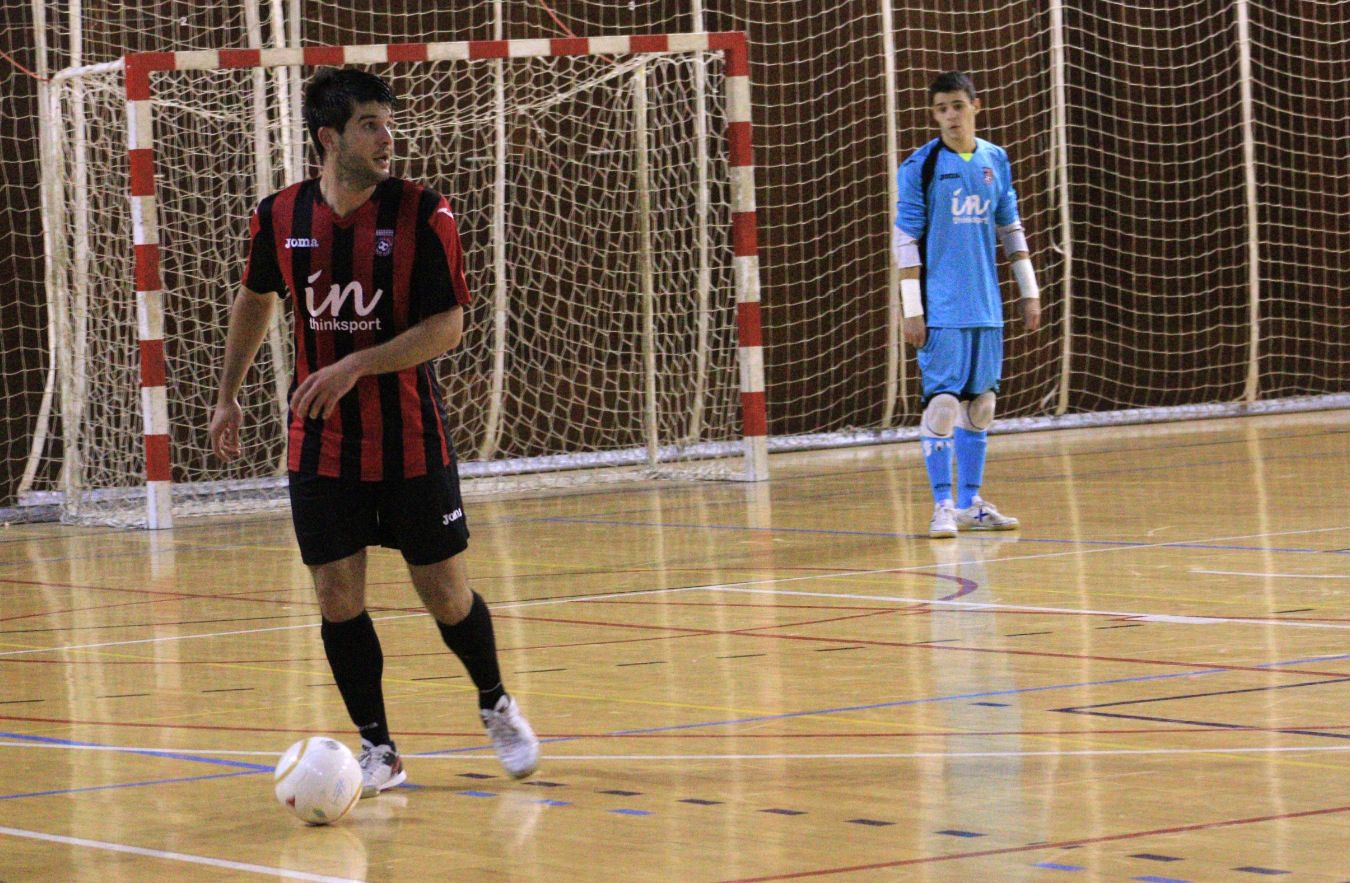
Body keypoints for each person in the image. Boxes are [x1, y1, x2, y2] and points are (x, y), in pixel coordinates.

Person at [210, 67, 538, 795]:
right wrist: (227, 395)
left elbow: (448, 326)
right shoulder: (279, 216)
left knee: (446, 594)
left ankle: (495, 700)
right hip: (320, 441)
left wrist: (357, 363)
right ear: (329, 137)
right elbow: (255, 299)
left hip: (409, 439)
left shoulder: (424, 213)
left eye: (389, 124)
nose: (387, 138)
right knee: (337, 596)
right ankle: (379, 747)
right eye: (369, 125)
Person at [891, 71, 1042, 539]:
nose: (951, 116)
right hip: (942, 306)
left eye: (958, 105)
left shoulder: (996, 159)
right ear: (934, 114)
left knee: (982, 407)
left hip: (986, 306)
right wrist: (912, 308)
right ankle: (940, 505)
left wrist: (1029, 291)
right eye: (942, 109)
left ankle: (970, 503)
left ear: (976, 105)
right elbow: (905, 239)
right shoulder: (922, 165)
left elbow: (1010, 228)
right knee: (941, 406)